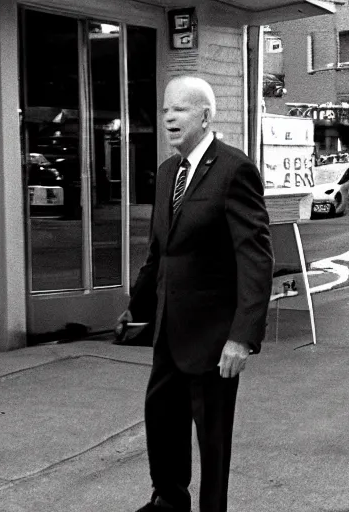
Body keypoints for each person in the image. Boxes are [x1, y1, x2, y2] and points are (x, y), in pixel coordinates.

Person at [122, 76, 274, 512]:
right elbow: (160, 250)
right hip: (171, 329)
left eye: (180, 109)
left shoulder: (234, 169)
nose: (168, 116)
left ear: (205, 116)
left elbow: (255, 259)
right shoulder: (168, 172)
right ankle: (169, 500)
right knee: (161, 417)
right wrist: (136, 306)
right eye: (166, 108)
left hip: (213, 334)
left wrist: (242, 336)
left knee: (212, 436)